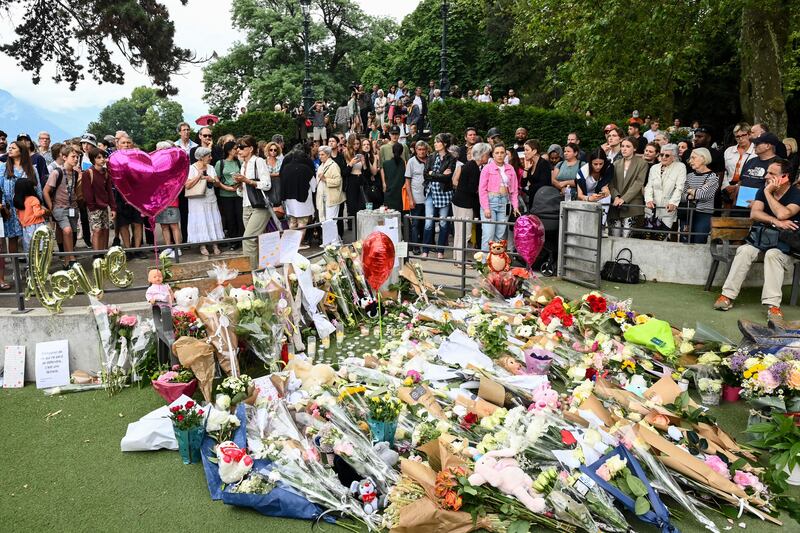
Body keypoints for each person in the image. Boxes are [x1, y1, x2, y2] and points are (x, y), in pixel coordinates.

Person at [714, 159, 799, 320]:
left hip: (785, 246)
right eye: (767, 172)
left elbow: (784, 214)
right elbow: (755, 213)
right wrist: (774, 221)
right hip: (761, 240)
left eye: (771, 174)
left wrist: (768, 193)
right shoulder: (762, 190)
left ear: (785, 177)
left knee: (772, 255)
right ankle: (727, 296)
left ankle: (773, 306)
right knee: (744, 250)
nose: (766, 176)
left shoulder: (796, 194)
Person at [234, 135, 271, 269]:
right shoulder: (243, 164)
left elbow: (267, 185)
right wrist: (239, 185)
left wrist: (247, 181)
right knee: (255, 241)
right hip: (246, 206)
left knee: (248, 240)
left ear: (250, 148)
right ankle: (260, 273)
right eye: (238, 147)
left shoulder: (259, 161)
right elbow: (242, 192)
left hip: (260, 206)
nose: (238, 150)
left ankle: (250, 273)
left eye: (242, 147)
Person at [479, 143, 520, 251]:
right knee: (488, 235)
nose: (500, 155)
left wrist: (515, 206)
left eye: (502, 152)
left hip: (505, 203)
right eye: (497, 153)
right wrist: (486, 207)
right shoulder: (487, 168)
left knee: (500, 235)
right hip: (491, 202)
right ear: (493, 155)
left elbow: (515, 190)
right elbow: (482, 190)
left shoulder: (510, 168)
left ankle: (497, 264)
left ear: (505, 154)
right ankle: (484, 264)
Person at [44, 145, 80, 266]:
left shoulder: (75, 173)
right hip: (59, 207)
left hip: (73, 207)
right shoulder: (56, 172)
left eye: (77, 157)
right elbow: (46, 191)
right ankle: (71, 257)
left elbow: (75, 190)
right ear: (64, 157)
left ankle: (66, 261)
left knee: (72, 234)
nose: (76, 159)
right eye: (73, 156)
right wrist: (51, 207)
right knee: (67, 230)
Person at [422, 133, 457, 258]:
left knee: (443, 222)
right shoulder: (431, 157)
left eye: (438, 142)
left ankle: (440, 251)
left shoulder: (451, 158)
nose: (435, 144)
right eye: (435, 142)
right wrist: (440, 174)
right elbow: (425, 174)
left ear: (445, 144)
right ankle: (425, 250)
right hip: (431, 192)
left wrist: (434, 174)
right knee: (428, 221)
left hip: (444, 193)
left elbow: (448, 178)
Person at [452, 142, 489, 259]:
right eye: (487, 154)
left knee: (459, 231)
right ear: (482, 155)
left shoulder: (469, 165)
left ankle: (457, 256)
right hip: (464, 204)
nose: (488, 157)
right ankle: (460, 260)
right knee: (465, 232)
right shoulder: (474, 169)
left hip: (458, 201)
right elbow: (472, 189)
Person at [185, 147, 223, 256]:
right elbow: (187, 185)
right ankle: (202, 245)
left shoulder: (211, 167)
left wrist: (213, 180)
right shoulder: (191, 168)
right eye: (208, 156)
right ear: (201, 157)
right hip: (197, 200)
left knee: (212, 218)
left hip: (210, 198)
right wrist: (199, 176)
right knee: (201, 220)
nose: (211, 158)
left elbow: (217, 183)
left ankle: (215, 244)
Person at [608, 137, 647, 237]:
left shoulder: (642, 163)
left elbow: (639, 183)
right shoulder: (615, 164)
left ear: (634, 148)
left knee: (627, 238)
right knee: (614, 237)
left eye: (628, 146)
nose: (624, 149)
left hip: (632, 205)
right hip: (616, 205)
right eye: (622, 146)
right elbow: (611, 183)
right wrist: (616, 197)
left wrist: (624, 199)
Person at [644, 143, 687, 234]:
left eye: (667, 155)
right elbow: (649, 186)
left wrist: (673, 203)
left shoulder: (680, 167)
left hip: (668, 208)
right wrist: (648, 200)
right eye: (661, 154)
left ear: (674, 157)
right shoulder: (654, 168)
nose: (663, 157)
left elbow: (679, 187)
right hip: (652, 208)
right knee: (648, 237)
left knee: (662, 237)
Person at [81, 147, 116, 252]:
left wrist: (113, 207)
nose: (102, 159)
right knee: (97, 230)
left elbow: (109, 191)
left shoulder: (105, 172)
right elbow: (87, 192)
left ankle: (104, 251)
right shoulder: (88, 173)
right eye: (99, 157)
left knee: (105, 229)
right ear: (93, 159)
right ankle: (97, 254)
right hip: (94, 208)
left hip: (104, 206)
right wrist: (92, 206)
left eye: (104, 157)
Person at [280, 143, 315, 247]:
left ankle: (291, 244)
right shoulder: (307, 169)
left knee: (292, 222)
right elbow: (314, 186)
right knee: (302, 223)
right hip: (303, 200)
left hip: (289, 200)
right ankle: (298, 244)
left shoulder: (285, 168)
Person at [682, 148, 719, 244]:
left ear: (703, 158)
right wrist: (692, 194)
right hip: (688, 213)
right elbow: (681, 195)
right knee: (684, 241)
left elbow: (704, 195)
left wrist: (691, 192)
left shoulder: (713, 177)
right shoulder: (689, 176)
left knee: (699, 240)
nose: (690, 161)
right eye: (690, 159)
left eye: (693, 158)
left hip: (704, 214)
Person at [214, 141, 244, 250]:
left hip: (238, 193)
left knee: (240, 217)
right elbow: (216, 180)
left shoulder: (239, 162)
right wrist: (226, 187)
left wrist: (239, 183)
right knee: (230, 218)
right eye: (235, 148)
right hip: (225, 194)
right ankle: (233, 241)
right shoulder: (220, 163)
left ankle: (242, 240)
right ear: (229, 150)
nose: (238, 150)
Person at [405, 141, 429, 253]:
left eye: (423, 149)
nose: (421, 151)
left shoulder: (430, 160)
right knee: (415, 223)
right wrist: (410, 199)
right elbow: (407, 182)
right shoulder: (411, 162)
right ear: (415, 150)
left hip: (429, 198)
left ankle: (426, 246)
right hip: (416, 197)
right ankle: (415, 246)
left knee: (427, 223)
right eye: (419, 149)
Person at [13, 177, 48, 253]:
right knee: (40, 246)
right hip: (37, 225)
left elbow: (18, 215)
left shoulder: (18, 201)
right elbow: (37, 213)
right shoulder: (33, 199)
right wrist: (44, 211)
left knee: (29, 247)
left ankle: (30, 263)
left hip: (26, 227)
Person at [723, 123, 755, 201]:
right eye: (737, 136)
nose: (740, 139)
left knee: (742, 211)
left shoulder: (756, 150)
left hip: (748, 187)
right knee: (727, 212)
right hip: (728, 186)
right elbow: (723, 170)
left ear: (749, 135)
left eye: (743, 135)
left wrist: (738, 187)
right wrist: (725, 185)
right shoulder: (729, 150)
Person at [315, 145, 345, 223]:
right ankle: (328, 236)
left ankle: (333, 236)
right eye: (319, 154)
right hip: (322, 199)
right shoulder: (320, 166)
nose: (320, 157)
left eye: (322, 154)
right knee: (324, 223)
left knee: (330, 223)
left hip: (331, 199)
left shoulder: (333, 165)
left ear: (328, 155)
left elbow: (338, 181)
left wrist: (325, 179)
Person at [520, 140, 552, 210]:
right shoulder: (530, 163)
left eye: (527, 150)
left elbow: (544, 183)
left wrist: (530, 186)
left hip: (542, 201)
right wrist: (526, 169)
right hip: (532, 199)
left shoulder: (544, 164)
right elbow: (523, 184)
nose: (524, 153)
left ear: (534, 151)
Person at [381, 142, 406, 212]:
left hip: (389, 195)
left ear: (392, 151)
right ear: (402, 152)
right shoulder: (404, 164)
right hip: (400, 197)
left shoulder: (385, 164)